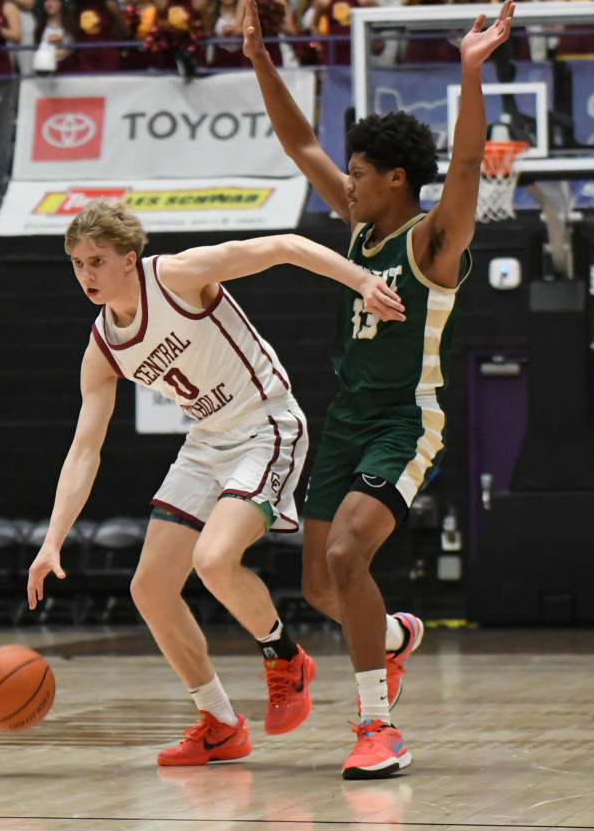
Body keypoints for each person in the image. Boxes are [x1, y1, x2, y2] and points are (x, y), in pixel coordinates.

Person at [242, 0, 515, 778]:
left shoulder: (433, 243)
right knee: (323, 585)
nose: (346, 183)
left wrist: (470, 72)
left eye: (359, 174)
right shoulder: (360, 230)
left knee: (348, 554)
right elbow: (300, 146)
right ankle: (394, 637)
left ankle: (377, 726)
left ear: (396, 179)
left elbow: (467, 164)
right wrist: (262, 61)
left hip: (407, 417)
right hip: (348, 417)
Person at [27, 199, 406, 767]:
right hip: (207, 443)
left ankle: (285, 657)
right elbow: (85, 450)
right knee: (149, 590)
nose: (86, 274)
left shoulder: (176, 276)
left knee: (214, 559)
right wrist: (52, 539)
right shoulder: (103, 347)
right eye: (77, 263)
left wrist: (362, 281)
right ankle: (220, 722)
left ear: (130, 259)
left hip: (265, 424)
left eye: (97, 260)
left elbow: (281, 247)